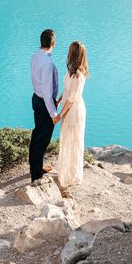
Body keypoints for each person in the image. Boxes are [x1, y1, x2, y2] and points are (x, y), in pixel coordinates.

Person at [29, 29, 61, 184]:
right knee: (42, 139)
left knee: (37, 135)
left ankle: (36, 166)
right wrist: (54, 114)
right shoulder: (47, 63)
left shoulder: (36, 56)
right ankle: (36, 175)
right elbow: (48, 93)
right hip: (44, 103)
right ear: (53, 43)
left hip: (36, 98)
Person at [57, 41, 88, 194]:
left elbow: (72, 98)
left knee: (73, 141)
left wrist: (59, 115)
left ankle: (70, 176)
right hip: (68, 108)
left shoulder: (79, 75)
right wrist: (58, 99)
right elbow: (66, 91)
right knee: (67, 139)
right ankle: (65, 172)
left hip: (74, 111)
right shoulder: (71, 70)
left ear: (73, 54)